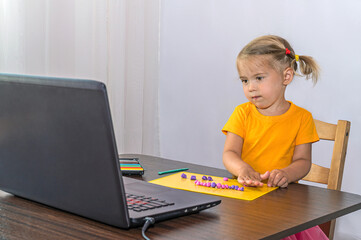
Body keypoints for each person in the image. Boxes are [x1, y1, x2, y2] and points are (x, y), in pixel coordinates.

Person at [222, 35, 328, 239]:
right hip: (244, 200)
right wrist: (242, 169)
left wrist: (286, 174)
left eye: (259, 78)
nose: (250, 87)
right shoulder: (241, 113)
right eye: (245, 80)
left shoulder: (302, 118)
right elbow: (230, 152)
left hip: (283, 203)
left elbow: (303, 162)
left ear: (286, 77)